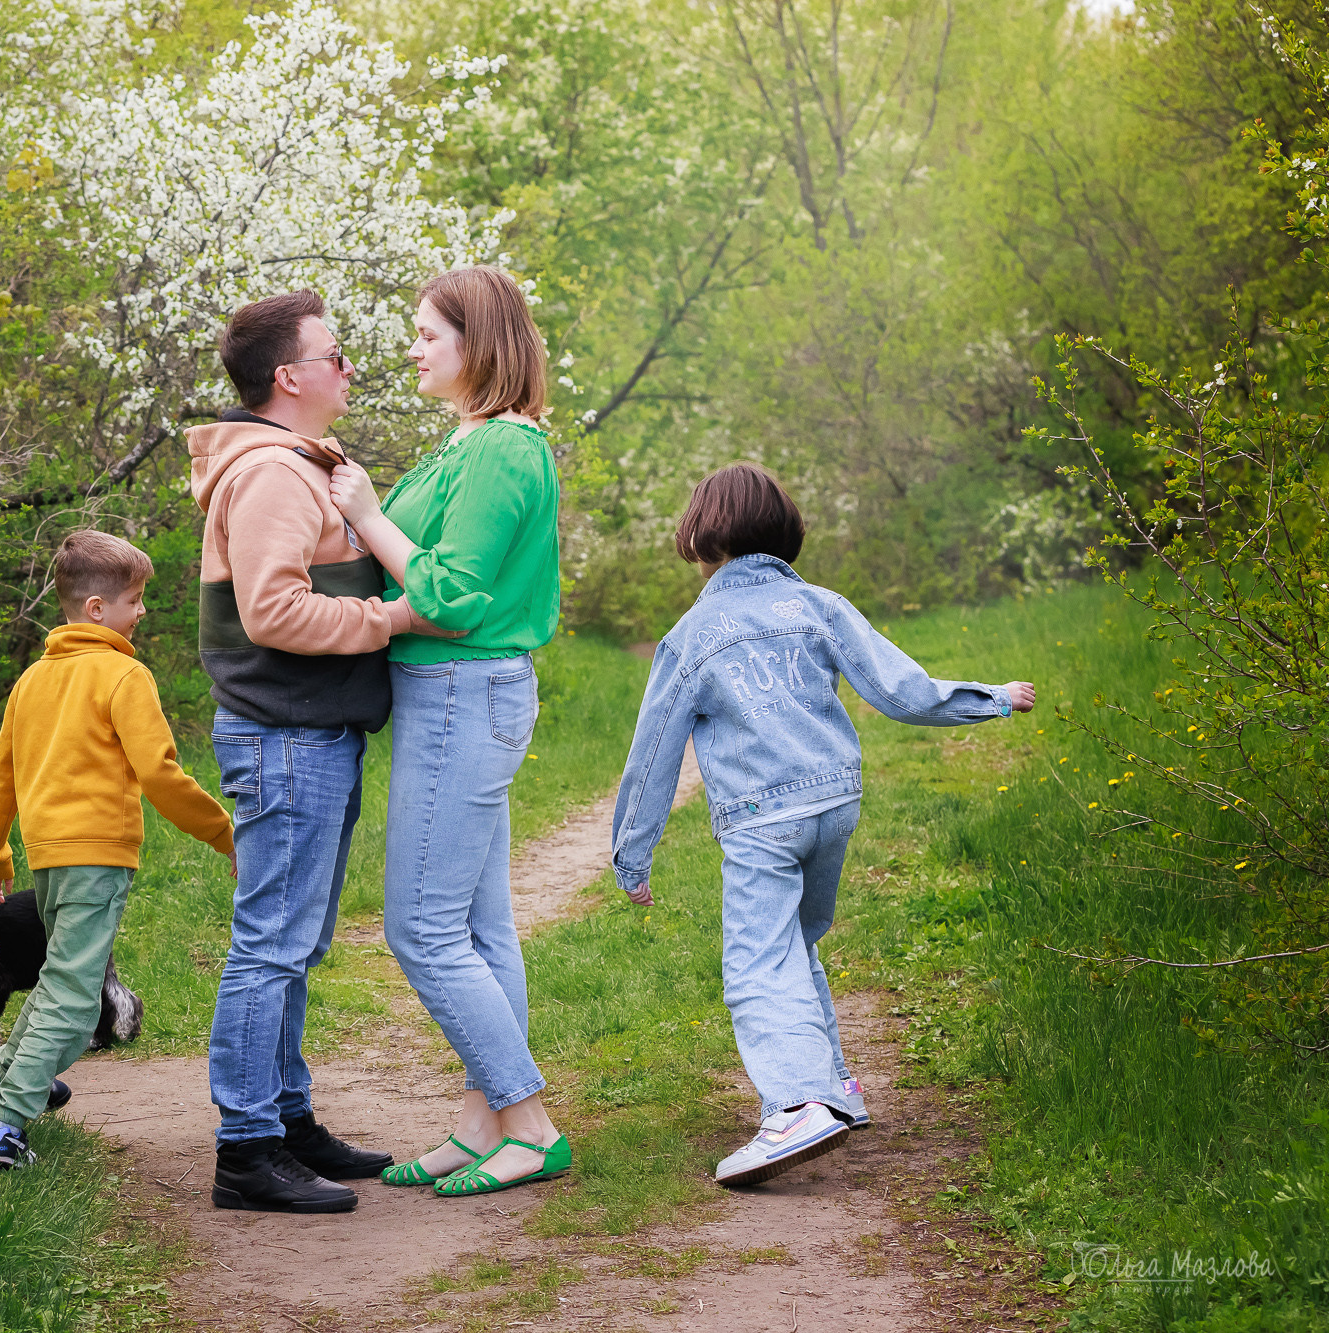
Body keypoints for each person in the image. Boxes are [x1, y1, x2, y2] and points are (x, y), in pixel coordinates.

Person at [609, 462, 1036, 1187]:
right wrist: (988, 698)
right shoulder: (819, 605)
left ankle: (799, 1103)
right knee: (795, 940)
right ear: (784, 527)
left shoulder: (692, 634)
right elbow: (898, 688)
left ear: (700, 534)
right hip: (835, 804)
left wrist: (632, 852)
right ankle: (836, 1089)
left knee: (757, 962)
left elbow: (653, 753)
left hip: (760, 820)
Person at [189, 290, 458, 1213]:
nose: (350, 367)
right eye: (334, 355)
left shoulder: (301, 462)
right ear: (288, 377)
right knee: (270, 945)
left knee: (292, 944)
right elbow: (271, 609)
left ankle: (287, 1119)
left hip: (310, 732)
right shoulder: (269, 473)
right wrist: (391, 616)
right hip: (285, 734)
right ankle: (246, 1148)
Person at [325, 265, 570, 1198]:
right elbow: (414, 569)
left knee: (422, 928)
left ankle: (532, 1122)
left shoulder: (504, 449)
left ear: (481, 344)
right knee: (478, 924)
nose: (415, 348)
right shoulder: (465, 445)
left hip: (463, 690)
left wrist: (371, 515)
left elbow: (456, 598)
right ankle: (481, 1125)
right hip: (453, 696)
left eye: (429, 333)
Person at [0, 530, 236, 1170]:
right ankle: (7, 1126)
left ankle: (9, 1077)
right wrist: (227, 833)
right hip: (97, 858)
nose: (142, 611)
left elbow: (0, 775)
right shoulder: (124, 673)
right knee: (77, 993)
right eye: (136, 600)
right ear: (97, 609)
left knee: (62, 972)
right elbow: (161, 772)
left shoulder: (32, 680)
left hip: (48, 858)